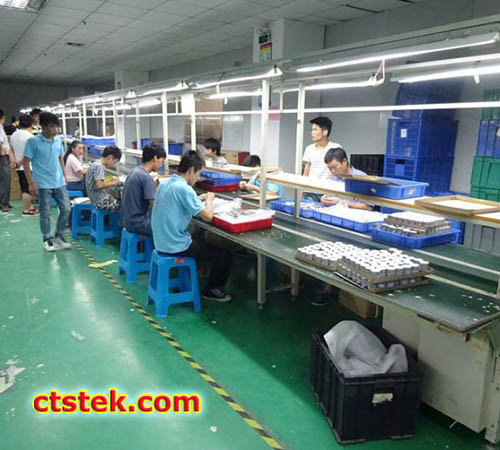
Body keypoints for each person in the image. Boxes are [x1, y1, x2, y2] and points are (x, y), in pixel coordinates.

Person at [152, 150, 233, 302]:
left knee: (199, 237)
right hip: (175, 245)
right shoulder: (184, 189)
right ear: (191, 170)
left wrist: (196, 199)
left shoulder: (166, 183)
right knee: (224, 254)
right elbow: (208, 216)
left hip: (160, 241)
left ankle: (186, 282)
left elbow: (179, 201)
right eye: (198, 174)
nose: (198, 178)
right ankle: (212, 290)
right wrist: (209, 200)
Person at [22, 112, 71, 252]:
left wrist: (64, 174)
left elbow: (60, 157)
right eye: (51, 126)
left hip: (59, 182)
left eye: (56, 126)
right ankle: (47, 238)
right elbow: (25, 162)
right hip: (43, 183)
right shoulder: (33, 142)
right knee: (45, 212)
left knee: (66, 208)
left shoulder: (58, 140)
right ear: (42, 126)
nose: (55, 130)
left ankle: (58, 236)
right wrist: (31, 183)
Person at [120, 143, 166, 236]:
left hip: (126, 220)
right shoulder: (145, 177)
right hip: (138, 223)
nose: (161, 165)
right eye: (161, 161)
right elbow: (154, 203)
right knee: (167, 228)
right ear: (155, 158)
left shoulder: (134, 171)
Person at [302, 116, 342, 202]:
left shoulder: (335, 147)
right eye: (312, 130)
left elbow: (340, 171)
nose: (312, 133)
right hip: (310, 192)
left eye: (315, 130)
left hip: (327, 192)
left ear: (325, 132)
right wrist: (301, 191)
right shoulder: (309, 148)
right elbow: (306, 171)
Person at [11, 114, 38, 216]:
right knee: (28, 189)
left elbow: (10, 149)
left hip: (19, 167)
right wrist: (20, 162)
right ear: (31, 123)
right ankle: (27, 210)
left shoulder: (14, 135)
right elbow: (28, 154)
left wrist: (15, 161)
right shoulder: (30, 136)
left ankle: (30, 207)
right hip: (28, 166)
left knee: (24, 188)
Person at [85, 145, 122, 211]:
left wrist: (109, 179)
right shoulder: (99, 167)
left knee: (118, 201)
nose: (114, 164)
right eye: (114, 162)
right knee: (123, 207)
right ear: (110, 157)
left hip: (94, 199)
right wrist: (113, 183)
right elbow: (99, 185)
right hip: (100, 201)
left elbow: (97, 181)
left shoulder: (96, 163)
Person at [0, 109, 16, 212]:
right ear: (3, 117)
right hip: (2, 157)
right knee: (5, 180)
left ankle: (4, 202)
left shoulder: (1, 128)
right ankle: (3, 203)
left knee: (3, 180)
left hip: (4, 156)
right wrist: (1, 152)